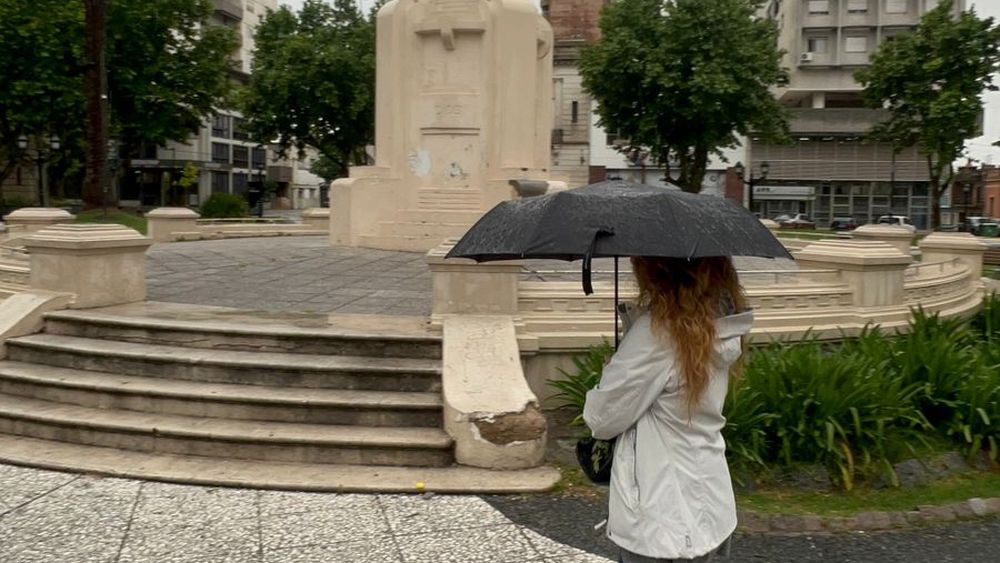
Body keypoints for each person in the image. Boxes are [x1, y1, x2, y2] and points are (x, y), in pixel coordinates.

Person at [583, 256, 752, 563]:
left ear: (655, 268)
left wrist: (613, 371)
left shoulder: (657, 333)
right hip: (713, 506)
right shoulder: (721, 325)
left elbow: (602, 419)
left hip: (659, 521)